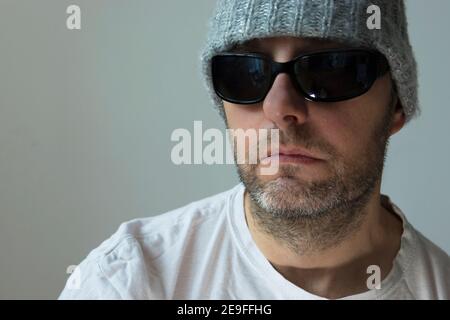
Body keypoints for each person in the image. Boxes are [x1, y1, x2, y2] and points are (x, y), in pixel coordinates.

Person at [59, 0, 450, 299]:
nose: (278, 109)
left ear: (395, 104)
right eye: (245, 74)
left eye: (332, 69)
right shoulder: (130, 281)